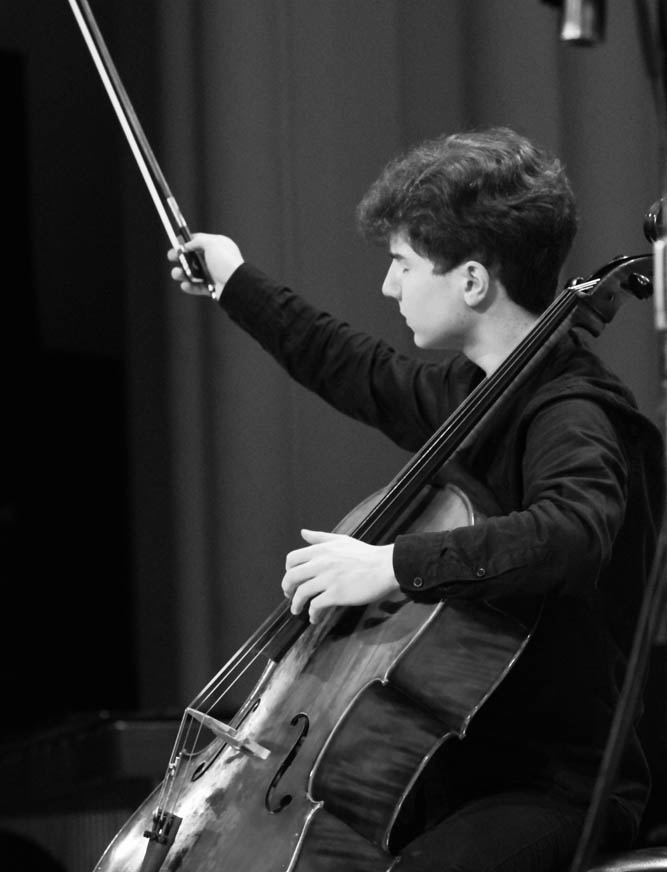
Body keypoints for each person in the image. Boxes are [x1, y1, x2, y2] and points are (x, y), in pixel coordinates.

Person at [168, 126, 665, 872]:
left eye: (402, 264)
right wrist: (234, 279)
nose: (388, 286)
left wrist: (390, 565)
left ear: (472, 281)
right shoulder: (475, 391)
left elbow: (570, 532)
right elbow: (350, 367)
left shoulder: (571, 411)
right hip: (452, 777)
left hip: (558, 791)